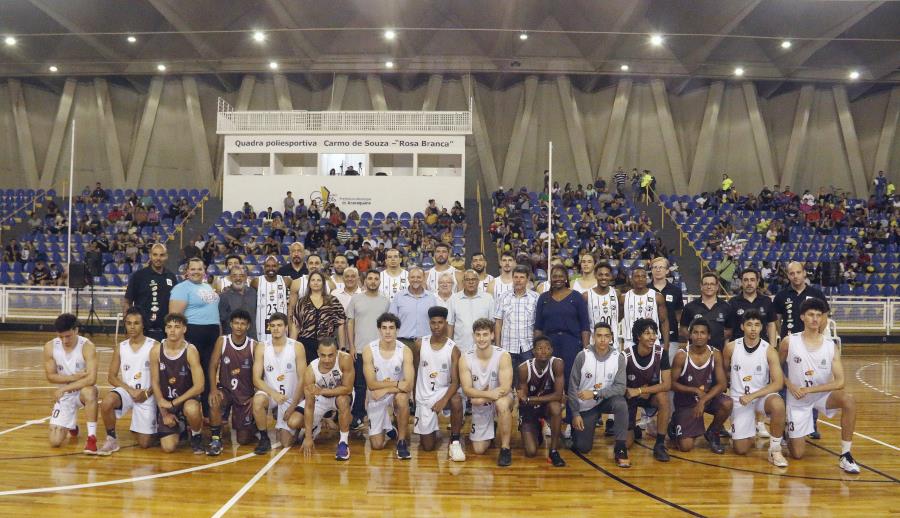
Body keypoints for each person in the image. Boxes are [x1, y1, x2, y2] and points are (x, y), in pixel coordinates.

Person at [780, 299, 860, 473]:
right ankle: (788, 428)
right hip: (797, 399)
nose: (815, 319)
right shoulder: (789, 342)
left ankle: (846, 454)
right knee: (798, 454)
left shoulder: (830, 346)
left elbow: (840, 382)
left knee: (849, 401)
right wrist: (789, 385)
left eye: (818, 315)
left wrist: (810, 389)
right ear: (802, 317)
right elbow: (777, 369)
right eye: (810, 315)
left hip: (821, 396)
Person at [723, 310, 789, 468]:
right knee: (741, 449)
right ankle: (748, 428)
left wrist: (753, 395)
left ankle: (775, 450)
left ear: (762, 328)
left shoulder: (769, 351)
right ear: (742, 326)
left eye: (757, 325)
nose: (753, 329)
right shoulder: (731, 348)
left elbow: (778, 383)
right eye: (749, 325)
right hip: (739, 399)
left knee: (778, 404)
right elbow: (724, 372)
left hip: (761, 397)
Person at [772, 261, 828, 439]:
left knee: (811, 384)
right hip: (789, 347)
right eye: (791, 273)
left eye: (798, 272)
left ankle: (811, 424)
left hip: (811, 347)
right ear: (788, 275)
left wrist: (816, 337)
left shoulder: (816, 294)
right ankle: (784, 423)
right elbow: (776, 320)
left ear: (804, 273)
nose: (795, 276)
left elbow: (824, 317)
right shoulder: (781, 296)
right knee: (785, 384)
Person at [534, 264, 591, 438]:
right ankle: (548, 422)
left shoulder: (576, 297)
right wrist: (536, 348)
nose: (557, 278)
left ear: (566, 278)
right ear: (550, 278)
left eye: (561, 275)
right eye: (554, 275)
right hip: (549, 345)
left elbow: (585, 325)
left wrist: (585, 348)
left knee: (570, 384)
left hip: (570, 343)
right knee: (549, 383)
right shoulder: (543, 298)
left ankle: (571, 422)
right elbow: (538, 326)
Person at [97, 308, 158, 454]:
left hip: (147, 394)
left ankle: (154, 426)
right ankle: (111, 439)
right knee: (107, 402)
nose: (132, 326)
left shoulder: (155, 346)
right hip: (128, 391)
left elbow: (161, 377)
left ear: (143, 325)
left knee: (144, 443)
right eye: (129, 323)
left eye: (136, 323)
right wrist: (130, 390)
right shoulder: (121, 347)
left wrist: (147, 392)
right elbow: (111, 376)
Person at [569, 323, 630, 467]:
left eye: (606, 336)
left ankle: (621, 448)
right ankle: (578, 429)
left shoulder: (618, 357)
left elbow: (621, 388)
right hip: (586, 405)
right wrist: (575, 413)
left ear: (611, 338)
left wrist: (596, 393)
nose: (603, 339)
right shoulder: (582, 356)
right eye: (599, 336)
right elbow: (572, 387)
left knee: (621, 403)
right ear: (593, 337)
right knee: (583, 448)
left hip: (606, 400)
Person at [670, 318, 731, 454]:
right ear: (690, 335)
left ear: (709, 336)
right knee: (686, 447)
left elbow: (722, 384)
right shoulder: (681, 356)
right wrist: (694, 390)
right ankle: (675, 422)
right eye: (695, 332)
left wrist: (703, 400)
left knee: (727, 403)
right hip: (686, 402)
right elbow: (671, 384)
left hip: (706, 399)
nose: (699, 336)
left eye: (703, 333)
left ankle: (713, 433)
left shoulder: (715, 354)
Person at [459, 318, 514, 466]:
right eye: (478, 335)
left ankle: (505, 448)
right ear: (473, 336)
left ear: (492, 335)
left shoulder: (503, 355)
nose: (481, 338)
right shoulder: (465, 358)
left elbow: (505, 387)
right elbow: (466, 389)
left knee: (502, 404)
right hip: (483, 400)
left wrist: (479, 398)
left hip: (500, 397)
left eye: (485, 334)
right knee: (478, 450)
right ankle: (493, 426)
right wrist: (486, 396)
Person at [169, 257, 220, 414]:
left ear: (204, 271)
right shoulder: (181, 288)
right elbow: (174, 317)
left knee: (208, 372)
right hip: (193, 334)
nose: (197, 272)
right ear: (187, 271)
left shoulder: (208, 286)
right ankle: (184, 412)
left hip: (212, 336)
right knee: (189, 375)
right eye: (193, 269)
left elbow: (214, 313)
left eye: (200, 269)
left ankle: (205, 411)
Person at [150, 313, 205, 453]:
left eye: (177, 327)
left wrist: (174, 403)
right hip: (167, 402)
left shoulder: (190, 351)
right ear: (165, 329)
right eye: (169, 327)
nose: (172, 330)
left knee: (192, 409)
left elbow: (200, 386)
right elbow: (154, 382)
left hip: (186, 399)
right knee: (168, 448)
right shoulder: (156, 350)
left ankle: (196, 435)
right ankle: (181, 428)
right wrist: (164, 412)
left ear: (184, 329)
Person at [251, 312, 306, 454]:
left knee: (286, 443)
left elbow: (302, 379)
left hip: (290, 396)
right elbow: (256, 379)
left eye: (279, 325)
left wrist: (293, 405)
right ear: (269, 327)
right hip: (272, 394)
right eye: (273, 326)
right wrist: (273, 393)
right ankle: (264, 438)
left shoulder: (297, 346)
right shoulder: (262, 347)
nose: (276, 329)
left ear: (286, 327)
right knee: (257, 401)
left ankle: (300, 425)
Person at [414, 307, 465, 460]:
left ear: (446, 323)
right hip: (424, 395)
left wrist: (443, 401)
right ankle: (430, 428)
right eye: (433, 323)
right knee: (428, 447)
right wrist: (414, 399)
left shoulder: (453, 349)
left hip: (443, 391)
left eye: (440, 323)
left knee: (456, 400)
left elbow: (456, 382)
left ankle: (455, 440)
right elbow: (415, 372)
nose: (437, 326)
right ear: (429, 324)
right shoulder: (419, 344)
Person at [206, 309, 259, 456]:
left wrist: (256, 394)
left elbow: (260, 373)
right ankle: (216, 439)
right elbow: (213, 365)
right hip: (226, 390)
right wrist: (213, 389)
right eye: (236, 323)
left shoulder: (254, 345)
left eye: (243, 324)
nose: (239, 327)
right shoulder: (222, 341)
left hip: (245, 394)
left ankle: (252, 425)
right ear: (231, 324)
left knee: (243, 440)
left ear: (248, 326)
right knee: (214, 400)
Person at [44, 313, 99, 452]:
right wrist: (74, 377)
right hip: (66, 394)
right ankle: (72, 426)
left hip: (82, 391)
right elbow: (50, 376)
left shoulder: (87, 346)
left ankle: (92, 437)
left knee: (90, 392)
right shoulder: (50, 347)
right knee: (55, 441)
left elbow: (91, 379)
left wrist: (63, 389)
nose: (64, 340)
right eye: (60, 336)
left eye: (67, 336)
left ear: (76, 330)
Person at [362, 313, 415, 458]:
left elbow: (409, 385)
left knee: (403, 399)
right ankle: (390, 426)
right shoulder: (369, 350)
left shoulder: (405, 350)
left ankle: (402, 442)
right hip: (377, 395)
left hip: (395, 394)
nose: (387, 331)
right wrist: (398, 383)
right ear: (379, 330)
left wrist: (386, 389)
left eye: (391, 328)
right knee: (377, 445)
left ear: (397, 330)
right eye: (384, 328)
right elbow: (371, 384)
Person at [346, 270, 391, 429]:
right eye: (370, 278)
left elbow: (388, 327)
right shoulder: (356, 299)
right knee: (360, 385)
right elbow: (350, 323)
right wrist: (351, 346)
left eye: (376, 279)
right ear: (365, 281)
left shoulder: (385, 301)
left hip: (379, 352)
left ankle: (383, 420)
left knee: (379, 385)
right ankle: (358, 415)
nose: (373, 281)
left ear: (380, 281)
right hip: (358, 349)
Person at [298, 338, 355, 461]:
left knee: (342, 400)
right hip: (321, 399)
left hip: (340, 395)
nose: (327, 360)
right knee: (293, 422)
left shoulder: (345, 359)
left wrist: (322, 391)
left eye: (331, 355)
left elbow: (347, 389)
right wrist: (308, 437)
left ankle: (343, 443)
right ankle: (315, 426)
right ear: (318, 353)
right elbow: (309, 405)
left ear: (337, 352)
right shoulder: (310, 371)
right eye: (323, 355)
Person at [624, 318, 671, 462]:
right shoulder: (625, 355)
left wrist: (641, 391)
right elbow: (620, 385)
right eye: (647, 333)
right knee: (626, 444)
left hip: (647, 395)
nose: (652, 336)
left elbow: (667, 384)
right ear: (638, 336)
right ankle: (633, 428)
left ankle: (660, 444)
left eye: (654, 333)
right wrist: (634, 392)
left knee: (663, 397)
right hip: (629, 397)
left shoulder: (661, 353)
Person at [517, 336, 566, 466]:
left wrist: (532, 399)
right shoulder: (524, 368)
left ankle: (553, 451)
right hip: (530, 411)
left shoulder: (557, 363)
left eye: (547, 348)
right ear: (533, 351)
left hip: (547, 407)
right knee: (531, 452)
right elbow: (523, 401)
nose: (544, 351)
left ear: (552, 350)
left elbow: (558, 395)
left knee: (556, 407)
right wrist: (528, 400)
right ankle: (537, 427)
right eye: (540, 348)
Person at [124, 243, 177, 341]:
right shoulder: (138, 276)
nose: (158, 258)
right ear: (150, 255)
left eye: (161, 255)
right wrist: (127, 328)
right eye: (155, 254)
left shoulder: (171, 277)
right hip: (142, 331)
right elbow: (128, 302)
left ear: (166, 256)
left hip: (165, 332)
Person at [291, 271, 346, 365]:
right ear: (309, 283)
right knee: (307, 374)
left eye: (318, 280)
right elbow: (295, 325)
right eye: (313, 280)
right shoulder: (302, 302)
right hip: (305, 344)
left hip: (327, 344)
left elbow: (341, 324)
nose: (315, 282)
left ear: (323, 283)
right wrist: (291, 346)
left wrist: (342, 347)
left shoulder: (333, 301)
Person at [493, 265, 539, 372]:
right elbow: (498, 323)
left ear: (527, 279)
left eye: (522, 277)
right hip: (507, 348)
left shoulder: (536, 298)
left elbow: (539, 324)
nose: (518, 280)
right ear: (512, 278)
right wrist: (498, 346)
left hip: (528, 348)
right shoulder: (503, 297)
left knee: (528, 381)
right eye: (516, 277)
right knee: (508, 381)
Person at [679, 272, 735, 351]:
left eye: (712, 284)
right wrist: (694, 338)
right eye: (706, 284)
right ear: (701, 286)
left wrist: (718, 338)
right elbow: (683, 328)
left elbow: (729, 330)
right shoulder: (690, 307)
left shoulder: (726, 307)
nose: (709, 286)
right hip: (695, 352)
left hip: (719, 351)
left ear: (717, 286)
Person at [620, 264, 670, 351]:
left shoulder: (657, 296)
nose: (640, 279)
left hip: (652, 340)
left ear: (646, 279)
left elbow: (664, 321)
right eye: (637, 276)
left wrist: (666, 344)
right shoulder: (623, 298)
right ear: (631, 279)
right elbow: (616, 319)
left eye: (643, 276)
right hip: (630, 341)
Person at [448, 269, 494, 354]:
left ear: (478, 281)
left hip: (483, 348)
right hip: (460, 349)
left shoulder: (488, 298)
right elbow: (450, 325)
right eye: (467, 280)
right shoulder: (454, 299)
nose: (471, 282)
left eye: (473, 279)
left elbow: (492, 324)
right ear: (463, 282)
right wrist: (449, 347)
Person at [389, 267, 436, 349]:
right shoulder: (399, 297)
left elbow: (435, 321)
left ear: (424, 278)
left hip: (425, 343)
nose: (415, 279)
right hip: (403, 343)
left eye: (419, 277)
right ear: (408, 279)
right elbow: (391, 321)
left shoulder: (431, 297)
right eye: (412, 277)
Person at [650, 257, 684, 363]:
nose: (658, 270)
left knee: (668, 370)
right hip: (649, 337)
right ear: (651, 270)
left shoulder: (676, 291)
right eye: (655, 267)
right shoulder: (646, 290)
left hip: (671, 337)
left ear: (667, 270)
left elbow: (678, 313)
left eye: (661, 267)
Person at [252, 256, 290, 341]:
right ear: (264, 267)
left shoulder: (286, 280)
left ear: (278, 267)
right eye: (268, 266)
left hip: (280, 322)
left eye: (274, 266)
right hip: (262, 323)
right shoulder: (256, 281)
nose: (271, 268)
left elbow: (296, 292)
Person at [584, 262, 621, 348]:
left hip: (613, 344)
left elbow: (619, 316)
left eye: (606, 275)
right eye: (600, 275)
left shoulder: (617, 293)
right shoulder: (586, 295)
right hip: (593, 343)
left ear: (611, 276)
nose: (603, 277)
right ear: (595, 276)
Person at [218, 264, 258, 339]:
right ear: (230, 278)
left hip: (252, 338)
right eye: (234, 276)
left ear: (246, 277)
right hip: (231, 340)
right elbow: (220, 321)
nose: (238, 278)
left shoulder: (253, 292)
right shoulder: (224, 296)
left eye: (241, 275)